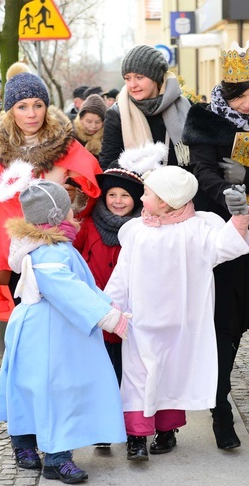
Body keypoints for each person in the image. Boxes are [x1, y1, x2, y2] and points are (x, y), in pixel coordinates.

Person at [105, 160, 249, 461]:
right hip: (140, 319)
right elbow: (122, 273)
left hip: (180, 321)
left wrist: (239, 218)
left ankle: (166, 430)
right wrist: (112, 306)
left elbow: (224, 246)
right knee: (136, 376)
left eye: (147, 192)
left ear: (165, 202)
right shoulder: (136, 230)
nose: (142, 198)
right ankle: (136, 437)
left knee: (169, 375)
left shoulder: (198, 229)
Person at [182, 41, 249, 443]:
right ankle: (220, 405)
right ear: (226, 91)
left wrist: (246, 177)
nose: (248, 104)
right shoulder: (205, 119)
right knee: (221, 318)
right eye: (241, 96)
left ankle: (232, 382)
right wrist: (228, 194)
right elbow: (201, 170)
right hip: (214, 226)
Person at [0, 178, 127, 484]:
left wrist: (108, 303)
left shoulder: (51, 245)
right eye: (68, 210)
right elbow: (68, 291)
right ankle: (56, 457)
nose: (73, 214)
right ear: (57, 217)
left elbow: (83, 285)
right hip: (50, 331)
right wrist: (106, 316)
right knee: (56, 390)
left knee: (29, 385)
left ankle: (25, 443)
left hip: (42, 326)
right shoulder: (50, 252)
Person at [0, 67, 102, 322]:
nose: (31, 114)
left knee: (61, 324)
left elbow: (92, 188)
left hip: (58, 252)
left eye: (38, 105)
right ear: (10, 110)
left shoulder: (66, 145)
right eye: (22, 106)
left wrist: (75, 195)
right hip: (15, 259)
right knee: (22, 326)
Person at [73, 144, 147, 383]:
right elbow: (72, 255)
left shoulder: (143, 229)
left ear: (135, 200)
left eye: (125, 195)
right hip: (96, 311)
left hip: (132, 313)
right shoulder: (89, 225)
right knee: (102, 372)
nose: (118, 201)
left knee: (129, 372)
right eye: (112, 195)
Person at [99, 45, 191, 172]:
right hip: (137, 189)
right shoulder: (117, 114)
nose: (132, 85)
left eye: (139, 77)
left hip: (180, 188)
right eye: (127, 78)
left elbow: (199, 160)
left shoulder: (184, 108)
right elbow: (108, 163)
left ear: (156, 78)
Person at [72, 94, 106, 160]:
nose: (93, 126)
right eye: (89, 122)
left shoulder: (107, 138)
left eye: (98, 122)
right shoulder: (71, 136)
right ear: (80, 119)